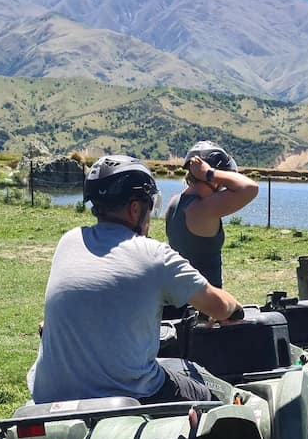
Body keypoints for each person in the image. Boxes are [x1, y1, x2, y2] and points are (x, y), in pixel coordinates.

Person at [27, 155, 244, 405]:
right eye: (150, 205)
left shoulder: (69, 241)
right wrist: (234, 309)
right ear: (135, 208)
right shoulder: (153, 254)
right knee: (211, 398)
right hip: (131, 393)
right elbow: (218, 306)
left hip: (48, 396)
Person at [164, 141, 259, 287]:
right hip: (205, 304)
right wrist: (209, 173)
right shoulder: (201, 209)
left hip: (179, 297)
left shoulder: (174, 202)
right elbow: (250, 188)